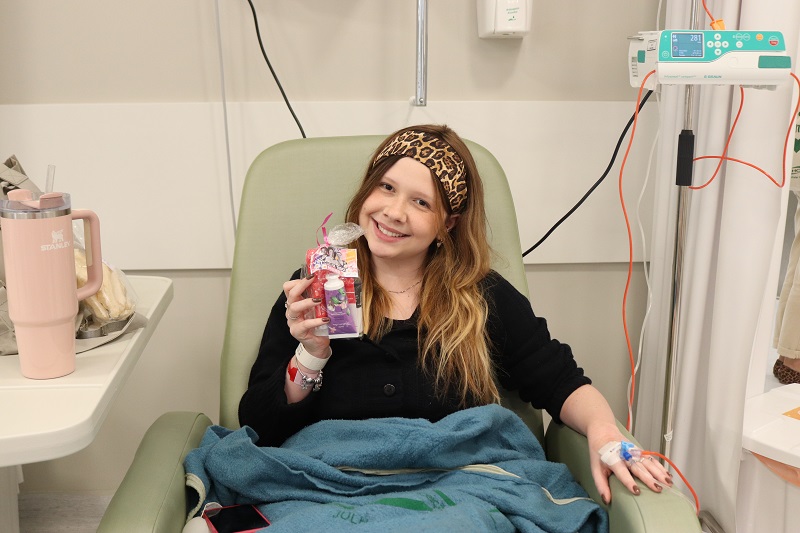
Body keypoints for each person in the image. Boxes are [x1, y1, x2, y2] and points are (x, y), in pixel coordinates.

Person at [238, 124, 672, 506]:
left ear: (448, 223)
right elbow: (259, 426)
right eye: (386, 187)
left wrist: (605, 434)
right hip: (333, 491)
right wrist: (311, 354)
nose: (394, 212)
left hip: (457, 494)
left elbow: (561, 382)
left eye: (421, 202)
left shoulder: (481, 297)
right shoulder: (314, 290)